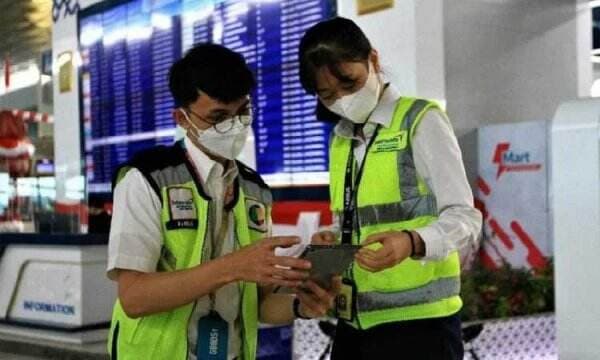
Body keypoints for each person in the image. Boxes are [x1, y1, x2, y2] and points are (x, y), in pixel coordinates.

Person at [106, 43, 339, 360]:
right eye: (218, 117)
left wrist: (302, 304)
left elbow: (260, 306)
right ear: (182, 118)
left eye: (242, 112)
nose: (234, 125)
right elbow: (134, 297)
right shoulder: (147, 179)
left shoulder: (254, 190)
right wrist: (232, 267)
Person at [299, 17, 482, 359]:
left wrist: (411, 242)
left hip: (421, 326)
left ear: (374, 60)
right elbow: (358, 219)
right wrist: (333, 239)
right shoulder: (341, 140)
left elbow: (466, 219)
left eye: (349, 84)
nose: (341, 100)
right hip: (354, 321)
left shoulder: (420, 121)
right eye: (327, 95)